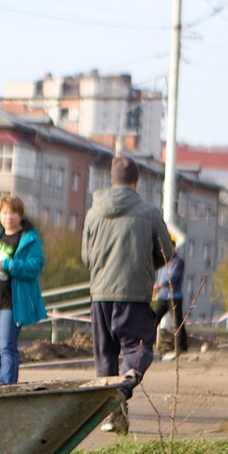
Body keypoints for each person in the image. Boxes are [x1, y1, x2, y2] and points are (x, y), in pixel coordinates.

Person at [81, 156, 172, 434]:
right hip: (133, 292)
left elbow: (86, 256)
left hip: (100, 294)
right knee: (138, 347)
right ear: (136, 182)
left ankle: (113, 416)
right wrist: (146, 266)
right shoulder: (149, 213)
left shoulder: (93, 213)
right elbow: (167, 253)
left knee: (105, 355)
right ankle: (129, 378)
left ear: (112, 182)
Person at [0, 195, 47, 385]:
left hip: (12, 300)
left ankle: (8, 387)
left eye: (13, 212)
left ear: (20, 214)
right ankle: (0, 384)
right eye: (5, 212)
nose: (9, 217)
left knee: (7, 346)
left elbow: (35, 266)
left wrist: (7, 265)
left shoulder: (29, 238)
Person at [151, 233, 188, 357]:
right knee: (153, 319)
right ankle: (147, 345)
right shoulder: (164, 262)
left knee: (177, 322)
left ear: (173, 247)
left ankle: (181, 347)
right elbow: (159, 276)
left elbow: (173, 277)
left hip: (174, 297)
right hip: (162, 296)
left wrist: (160, 285)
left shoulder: (178, 262)